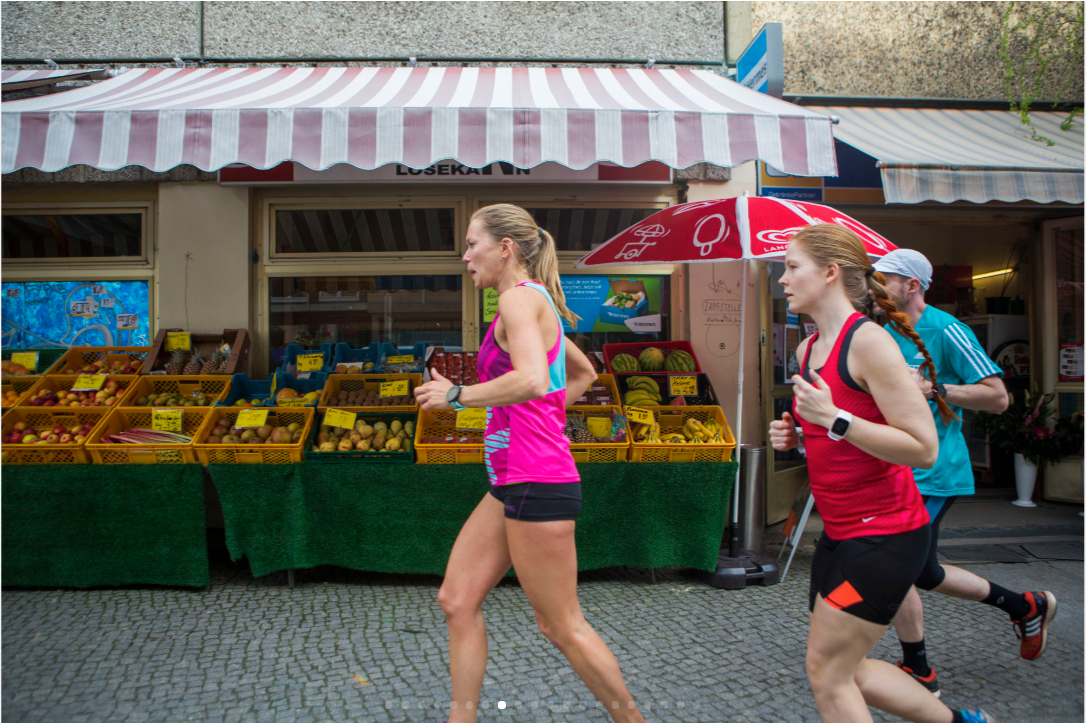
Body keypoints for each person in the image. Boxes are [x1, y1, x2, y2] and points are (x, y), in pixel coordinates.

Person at [414, 204, 643, 724]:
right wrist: (537, 419)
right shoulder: (527, 303)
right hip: (512, 479)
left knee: (560, 624)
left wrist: (457, 395)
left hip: (536, 479)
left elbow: (536, 380)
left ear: (505, 248)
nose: (465, 256)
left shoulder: (518, 299)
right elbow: (580, 371)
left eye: (473, 244)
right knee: (456, 599)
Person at [769, 224, 993, 723]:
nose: (782, 279)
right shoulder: (808, 350)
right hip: (839, 536)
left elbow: (922, 448)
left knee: (827, 673)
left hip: (885, 537)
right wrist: (801, 436)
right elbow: (839, 438)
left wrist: (835, 420)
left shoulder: (869, 344)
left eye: (791, 266)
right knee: (843, 668)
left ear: (829, 273)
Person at [873, 248, 1056, 695]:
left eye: (884, 281)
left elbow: (997, 397)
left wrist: (936, 388)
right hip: (895, 470)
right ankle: (1024, 606)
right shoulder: (883, 330)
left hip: (933, 472)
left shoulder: (947, 329)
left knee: (894, 564)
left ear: (911, 285)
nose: (875, 289)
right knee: (925, 572)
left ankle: (918, 667)